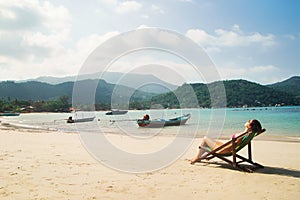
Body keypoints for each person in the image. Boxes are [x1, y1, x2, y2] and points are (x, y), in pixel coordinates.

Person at [190, 119, 262, 164]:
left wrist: (221, 149)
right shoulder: (247, 134)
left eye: (249, 121)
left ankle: (197, 157)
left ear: (249, 126)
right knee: (210, 140)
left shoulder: (242, 135)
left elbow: (233, 144)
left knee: (205, 138)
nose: (247, 121)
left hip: (224, 150)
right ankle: (204, 156)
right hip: (226, 148)